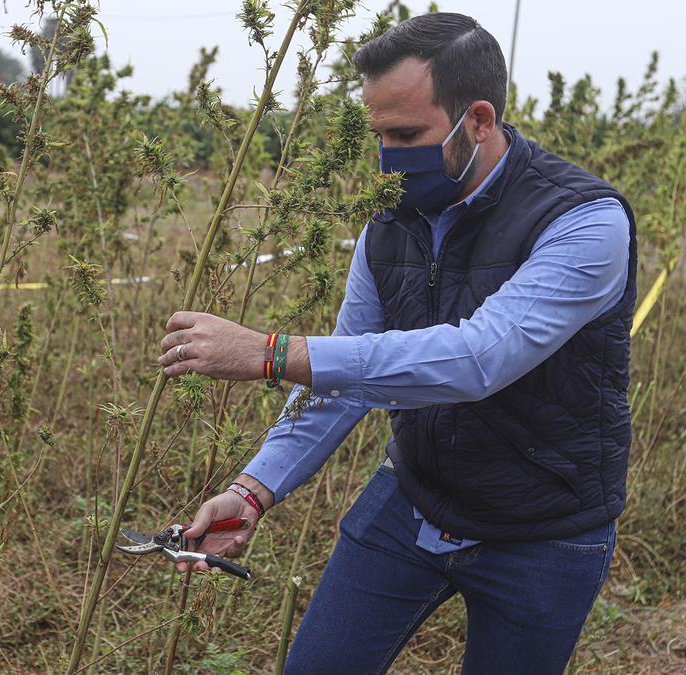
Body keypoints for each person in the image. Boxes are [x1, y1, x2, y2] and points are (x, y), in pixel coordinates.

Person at [155, 12, 635, 674]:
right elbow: (343, 378)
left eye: (407, 134)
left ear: (480, 120)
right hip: (416, 496)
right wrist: (254, 488)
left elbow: (477, 360)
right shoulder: (389, 228)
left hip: (546, 528)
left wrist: (269, 352)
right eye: (378, 135)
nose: (388, 157)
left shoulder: (584, 221)